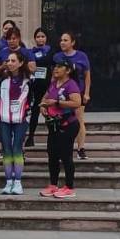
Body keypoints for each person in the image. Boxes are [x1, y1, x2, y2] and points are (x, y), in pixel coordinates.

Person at [39, 59, 83, 199]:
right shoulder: (53, 84)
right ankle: (53, 185)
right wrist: (42, 107)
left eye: (59, 67)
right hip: (54, 125)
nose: (55, 69)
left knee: (66, 156)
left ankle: (69, 187)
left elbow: (77, 102)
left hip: (68, 125)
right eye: (54, 66)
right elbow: (44, 99)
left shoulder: (71, 84)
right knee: (52, 155)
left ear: (68, 70)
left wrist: (58, 102)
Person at [0, 50, 32, 195]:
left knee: (17, 148)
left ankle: (17, 182)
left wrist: (27, 116)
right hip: (4, 119)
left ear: (21, 63)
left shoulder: (29, 80)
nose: (9, 63)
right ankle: (8, 182)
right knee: (6, 150)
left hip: (21, 120)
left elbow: (33, 101)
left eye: (13, 61)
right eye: (8, 61)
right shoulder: (2, 80)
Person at [53, 32, 91, 159]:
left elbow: (87, 76)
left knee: (79, 120)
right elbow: (54, 76)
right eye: (61, 40)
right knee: (59, 121)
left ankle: (81, 148)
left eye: (65, 40)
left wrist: (86, 93)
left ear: (72, 42)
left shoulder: (82, 56)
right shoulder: (57, 57)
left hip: (77, 92)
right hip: (60, 93)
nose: (62, 42)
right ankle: (60, 148)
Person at [26, 28, 53, 148]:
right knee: (35, 111)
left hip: (48, 84)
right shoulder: (31, 52)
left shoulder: (51, 51)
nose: (40, 39)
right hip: (36, 84)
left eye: (42, 36)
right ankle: (31, 136)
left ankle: (53, 136)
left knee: (50, 111)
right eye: (38, 36)